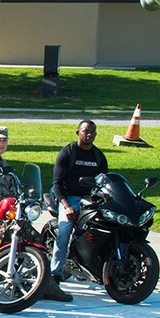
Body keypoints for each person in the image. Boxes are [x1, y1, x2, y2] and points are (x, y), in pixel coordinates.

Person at [50, 119, 108, 298]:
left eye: (92, 132)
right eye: (85, 131)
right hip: (69, 198)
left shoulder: (98, 156)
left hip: (90, 200)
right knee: (64, 231)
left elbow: (105, 182)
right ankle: (55, 274)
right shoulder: (68, 153)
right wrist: (66, 206)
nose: (88, 134)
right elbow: (57, 183)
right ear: (78, 132)